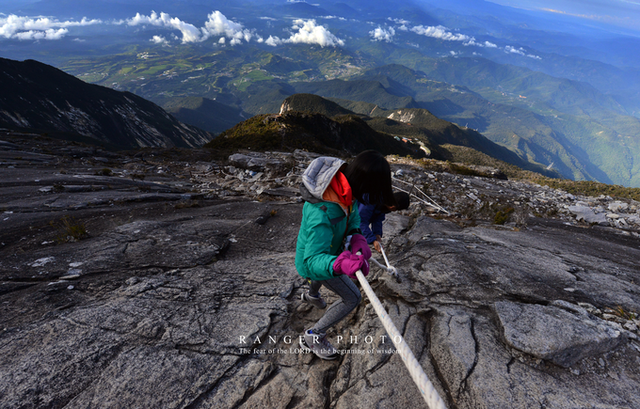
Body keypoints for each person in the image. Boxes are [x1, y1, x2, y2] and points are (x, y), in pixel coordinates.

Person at [295, 150, 396, 360]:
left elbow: (352, 219)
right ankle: (312, 337)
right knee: (352, 297)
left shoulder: (342, 190)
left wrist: (356, 237)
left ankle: (312, 294)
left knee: (319, 277)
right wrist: (340, 263)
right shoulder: (322, 211)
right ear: (364, 185)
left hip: (329, 253)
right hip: (318, 261)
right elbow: (312, 260)